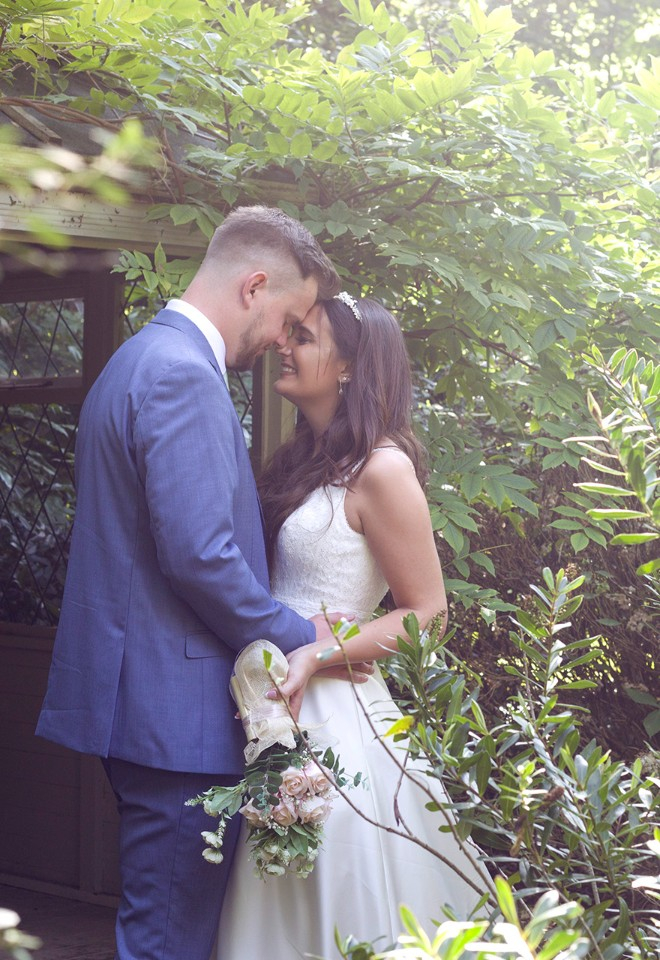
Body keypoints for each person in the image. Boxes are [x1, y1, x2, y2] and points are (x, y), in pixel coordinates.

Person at [35, 207, 370, 960]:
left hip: (148, 707)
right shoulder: (185, 375)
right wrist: (300, 636)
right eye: (288, 317)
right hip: (174, 722)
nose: (285, 339)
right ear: (254, 285)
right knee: (166, 942)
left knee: (165, 928)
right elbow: (200, 556)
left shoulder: (139, 360)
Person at [217, 294, 488, 958]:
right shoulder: (298, 464)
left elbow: (429, 612)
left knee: (338, 887)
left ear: (347, 366)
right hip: (275, 708)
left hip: (339, 717)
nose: (285, 344)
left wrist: (321, 650)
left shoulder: (383, 468)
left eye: (302, 337)